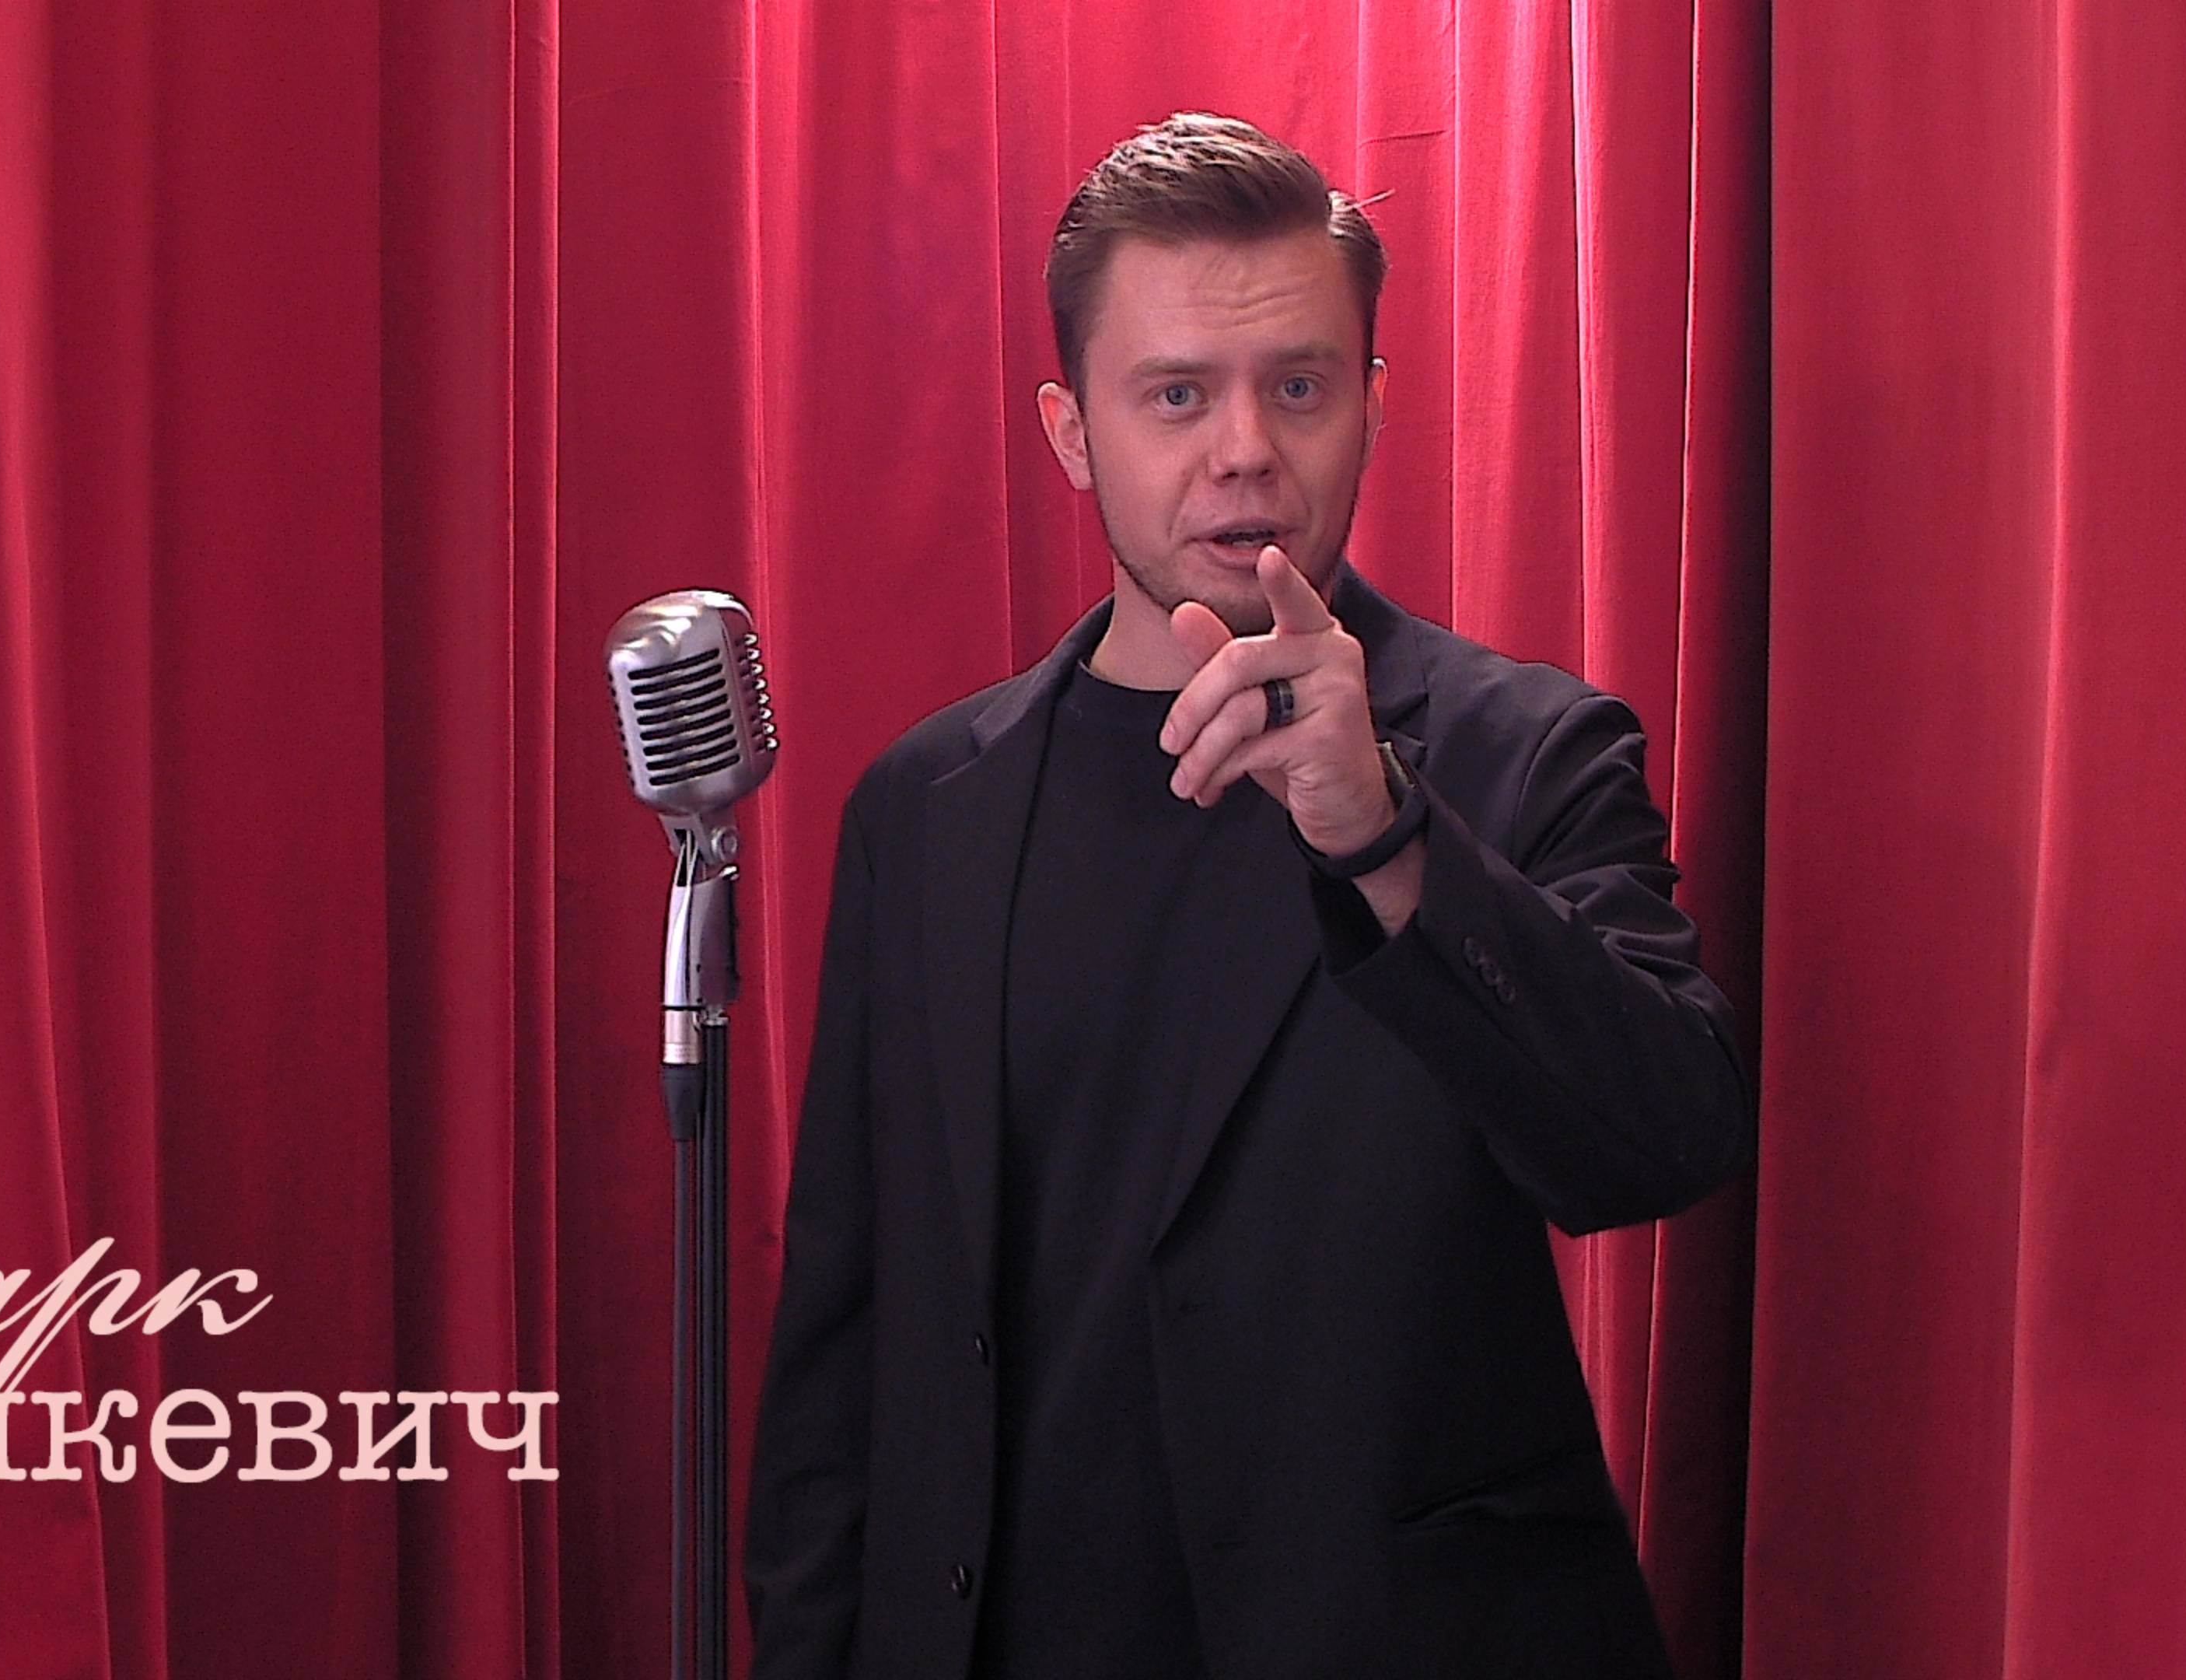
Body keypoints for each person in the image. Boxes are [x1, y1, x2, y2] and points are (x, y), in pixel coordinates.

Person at [740, 112, 1753, 1680]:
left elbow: (1660, 1143)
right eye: (1175, 395)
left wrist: (1386, 835)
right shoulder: (925, 810)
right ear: (1072, 433)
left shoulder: (1523, 751)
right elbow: (847, 1339)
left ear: (1373, 405)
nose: (1243, 452)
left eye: (1298, 386)